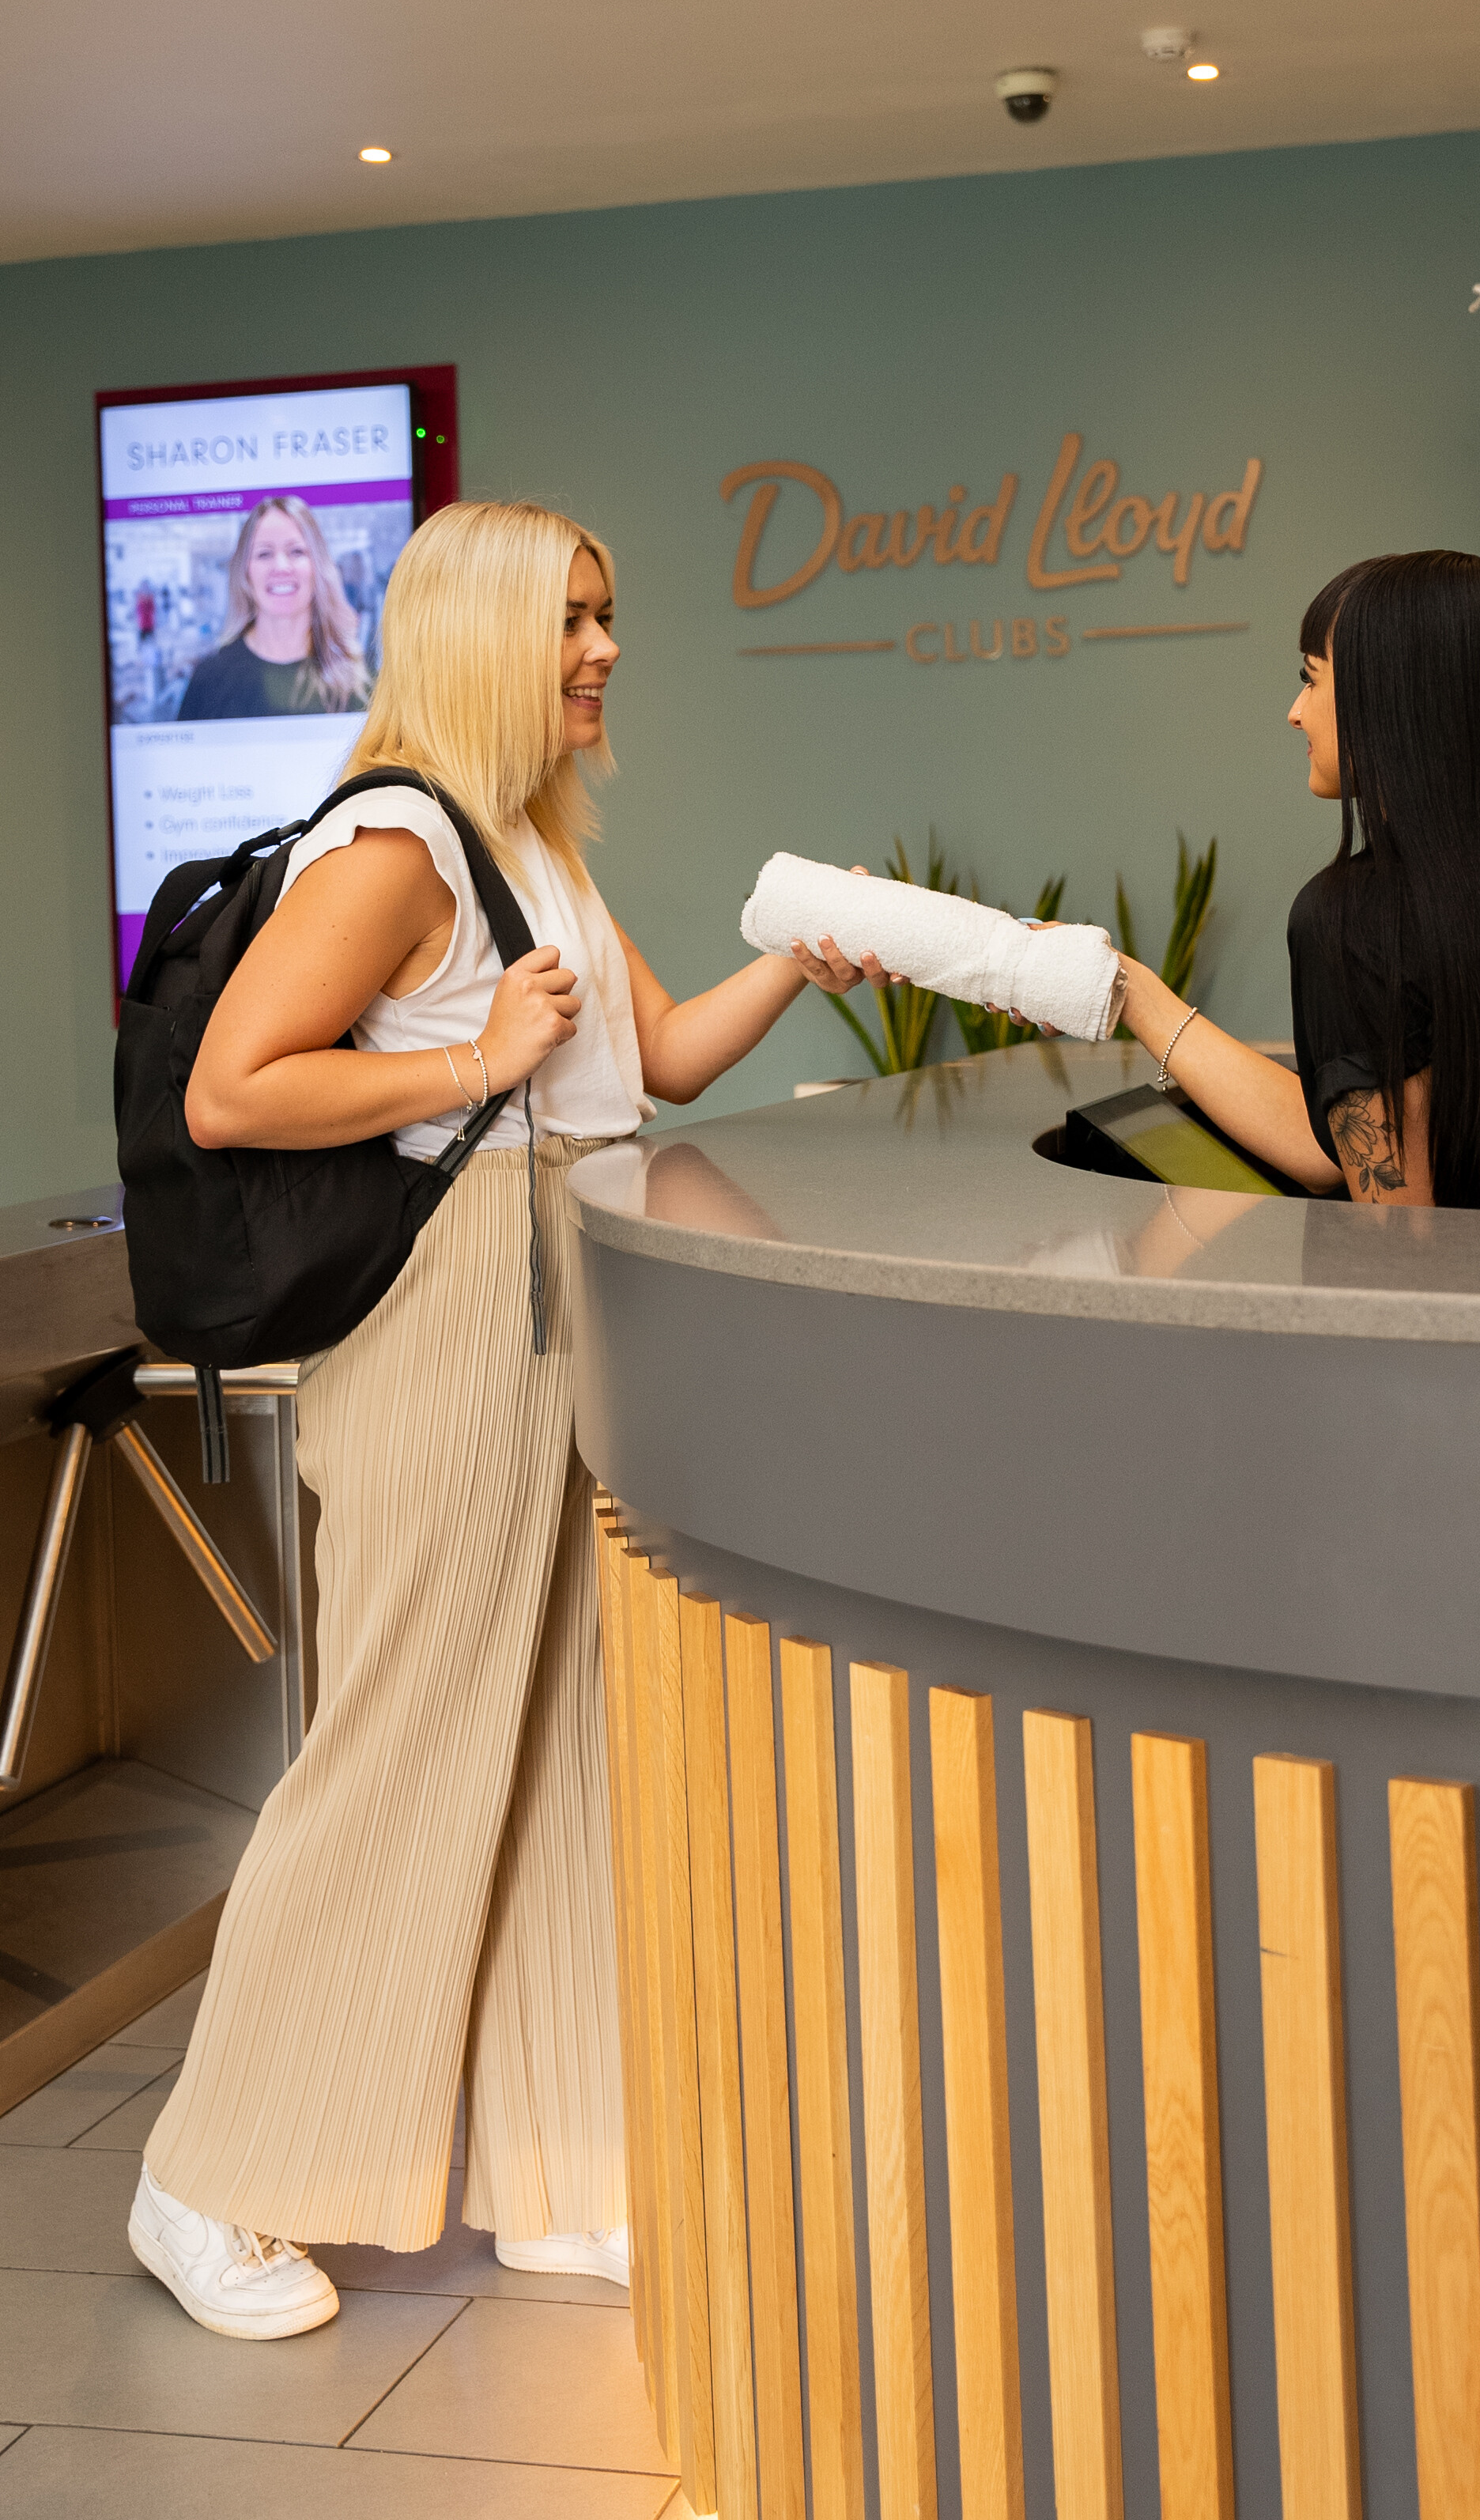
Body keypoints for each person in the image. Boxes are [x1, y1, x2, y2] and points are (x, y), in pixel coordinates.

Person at [130, 497, 889, 2339]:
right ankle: (202, 2175)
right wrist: (475, 1054)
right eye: (571, 616)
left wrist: (799, 958)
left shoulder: (535, 841)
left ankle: (550, 2174)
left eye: (608, 613)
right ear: (482, 631)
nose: (606, 647)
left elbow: (660, 1059)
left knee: (558, 1738)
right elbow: (238, 1086)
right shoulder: (398, 839)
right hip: (458, 1303)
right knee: (405, 1729)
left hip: (568, 1292)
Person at [1115, 549, 1480, 1215]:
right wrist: (1130, 990)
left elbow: (1402, 1235)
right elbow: (1341, 1145)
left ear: (1389, 700)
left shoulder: (1352, 921)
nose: (1295, 710)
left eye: (1311, 680)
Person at [175, 495, 372, 719]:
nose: (281, 567)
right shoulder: (209, 679)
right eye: (264, 554)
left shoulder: (355, 683)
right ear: (245, 572)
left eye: (296, 551)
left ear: (318, 565)